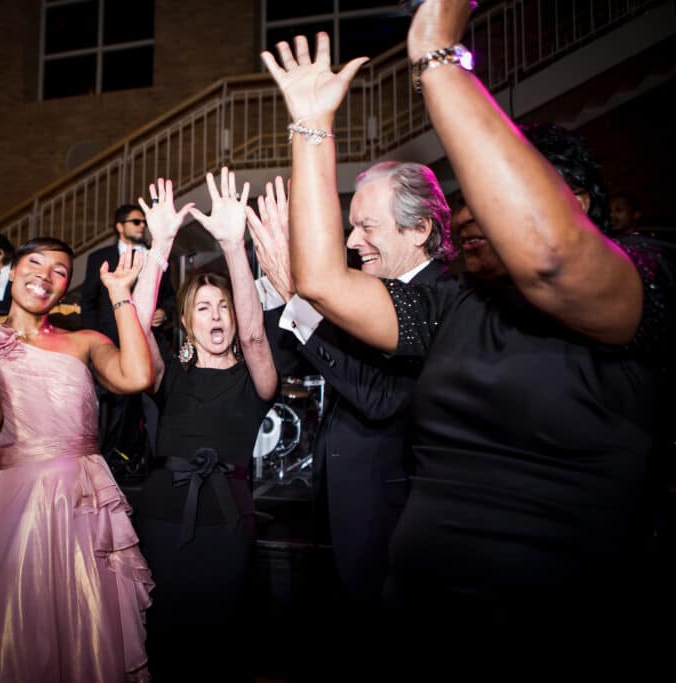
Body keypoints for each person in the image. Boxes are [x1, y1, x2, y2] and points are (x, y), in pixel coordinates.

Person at [261, 0, 674, 647]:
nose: (472, 211)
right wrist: (312, 128)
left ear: (581, 202)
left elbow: (549, 256)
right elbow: (322, 280)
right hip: (423, 605)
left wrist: (435, 52)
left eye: (492, 192)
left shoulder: (648, 275)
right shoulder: (457, 300)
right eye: (468, 196)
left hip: (565, 609)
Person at [0, 236, 155, 682]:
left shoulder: (85, 340)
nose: (44, 276)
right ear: (11, 271)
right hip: (24, 502)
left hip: (87, 501)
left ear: (65, 289)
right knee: (22, 625)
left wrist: (120, 293)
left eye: (60, 271)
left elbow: (138, 374)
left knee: (90, 625)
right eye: (34, 263)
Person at [248, 163, 453, 626]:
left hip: (395, 511)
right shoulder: (370, 292)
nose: (351, 241)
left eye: (367, 226)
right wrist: (268, 275)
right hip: (344, 502)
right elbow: (284, 362)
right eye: (352, 225)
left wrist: (300, 295)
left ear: (420, 228)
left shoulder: (442, 296)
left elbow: (379, 396)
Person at [131, 171, 278, 682]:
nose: (215, 315)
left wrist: (235, 247)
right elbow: (134, 320)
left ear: (234, 318)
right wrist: (161, 243)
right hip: (162, 519)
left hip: (227, 523)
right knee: (164, 642)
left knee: (224, 645)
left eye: (223, 308)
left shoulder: (253, 377)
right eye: (202, 308)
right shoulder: (169, 373)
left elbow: (259, 337)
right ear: (187, 323)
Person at [81, 203, 177, 470]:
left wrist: (163, 313)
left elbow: (169, 296)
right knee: (117, 408)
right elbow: (88, 302)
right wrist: (96, 341)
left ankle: (161, 464)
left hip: (152, 345)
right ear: (119, 226)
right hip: (113, 345)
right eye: (136, 222)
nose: (141, 226)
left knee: (157, 403)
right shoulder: (100, 257)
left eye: (143, 222)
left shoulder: (155, 257)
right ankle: (108, 464)